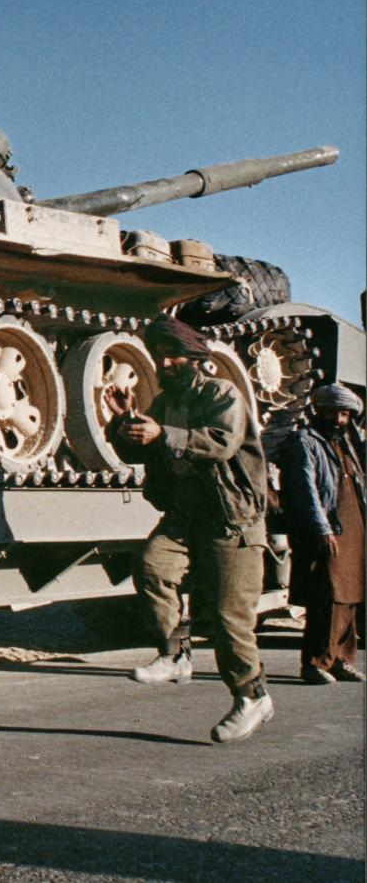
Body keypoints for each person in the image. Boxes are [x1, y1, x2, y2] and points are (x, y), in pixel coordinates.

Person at [107, 315, 272, 743]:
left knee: (228, 616)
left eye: (173, 354)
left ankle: (252, 696)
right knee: (151, 567)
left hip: (231, 518)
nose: (166, 362)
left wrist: (164, 433)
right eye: (161, 356)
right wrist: (122, 422)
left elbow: (221, 441)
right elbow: (142, 448)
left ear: (195, 357)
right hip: (185, 516)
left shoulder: (222, 393)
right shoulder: (165, 403)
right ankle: (175, 655)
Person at [278, 382, 365, 684]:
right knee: (327, 596)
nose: (340, 420)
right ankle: (316, 663)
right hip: (330, 530)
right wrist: (321, 529)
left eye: (345, 414)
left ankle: (341, 659)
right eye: (334, 413)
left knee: (350, 598)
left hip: (355, 530)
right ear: (319, 411)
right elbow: (306, 490)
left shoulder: (347, 444)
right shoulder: (305, 441)